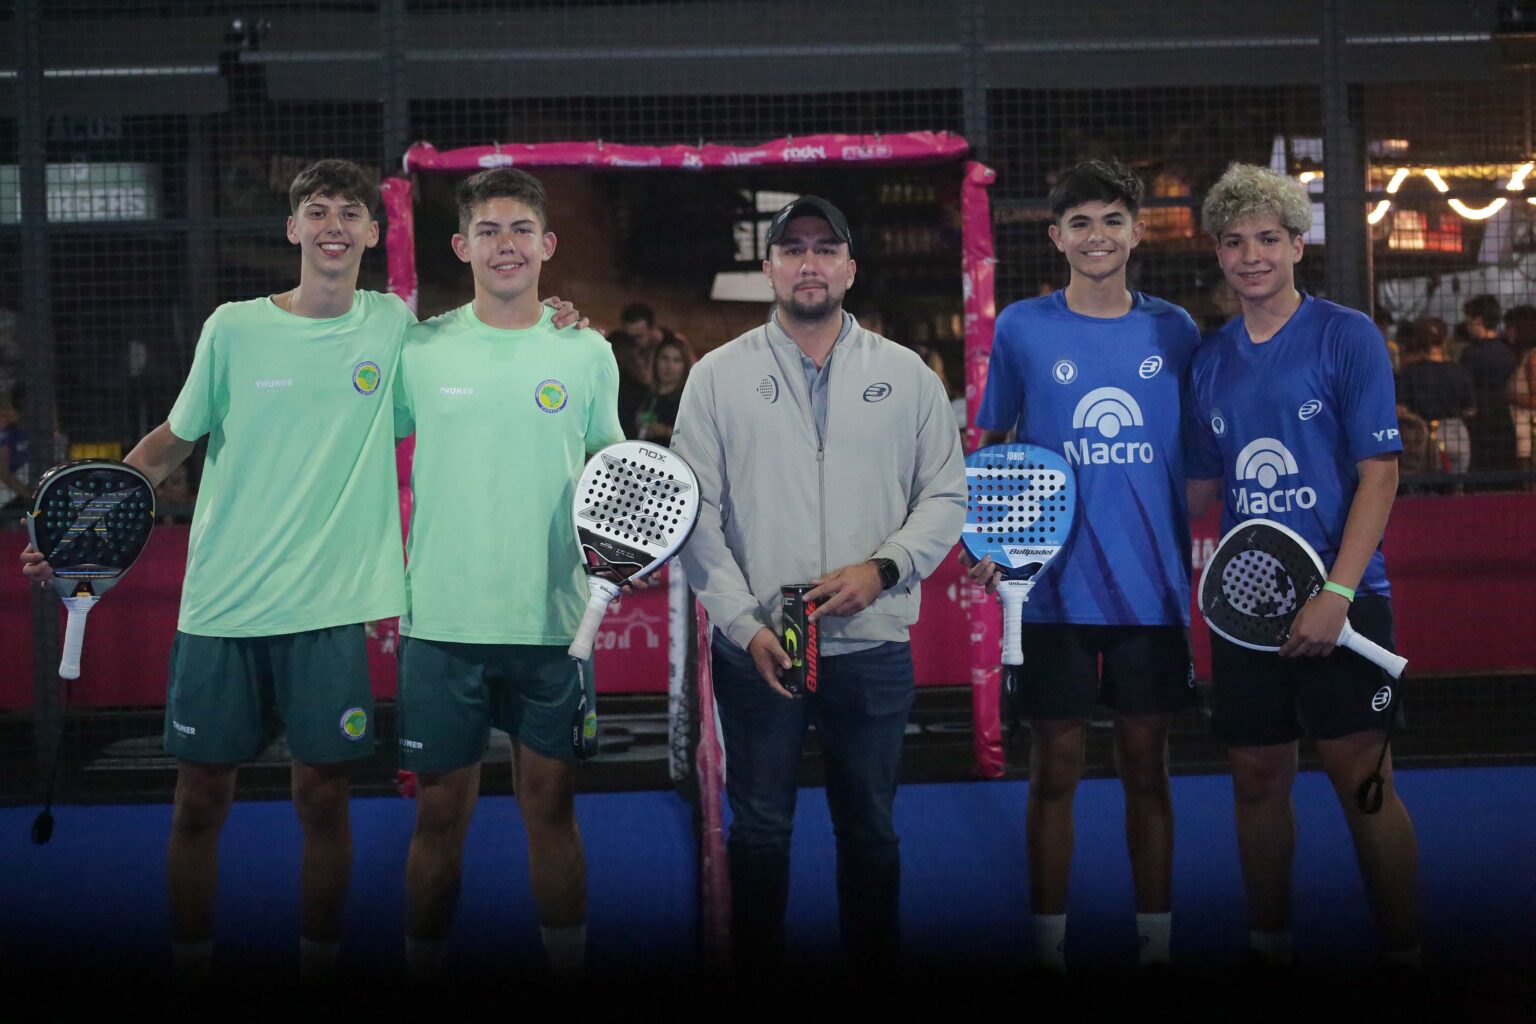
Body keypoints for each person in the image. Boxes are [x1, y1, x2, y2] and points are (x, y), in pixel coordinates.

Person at [18, 160, 583, 985]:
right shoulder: (233, 328)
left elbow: (498, 339)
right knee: (198, 804)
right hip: (222, 607)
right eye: (317, 211)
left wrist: (558, 321)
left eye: (349, 213)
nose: (332, 226)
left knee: (323, 804)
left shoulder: (394, 328)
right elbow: (170, 443)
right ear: (294, 229)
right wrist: (80, 531)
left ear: (372, 232)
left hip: (330, 610)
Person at [672, 195, 965, 971]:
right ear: (769, 268)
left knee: (870, 831)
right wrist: (744, 627)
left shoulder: (907, 375)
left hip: (871, 648)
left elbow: (945, 496)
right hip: (760, 651)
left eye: (826, 249)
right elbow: (695, 517)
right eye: (793, 249)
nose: (810, 263)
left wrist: (884, 568)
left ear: (850, 268)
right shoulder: (716, 377)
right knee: (761, 833)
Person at [966, 159, 1202, 972]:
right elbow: (992, 443)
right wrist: (986, 538)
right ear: (1055, 237)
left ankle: (1155, 947)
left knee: (1147, 769)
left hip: (1152, 595)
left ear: (1137, 231)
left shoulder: (1176, 330)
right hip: (1051, 594)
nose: (1096, 236)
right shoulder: (1022, 328)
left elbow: (1200, 449)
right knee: (1054, 771)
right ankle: (1049, 948)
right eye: (1080, 223)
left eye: (1111, 221)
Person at [1185, 163, 1421, 970]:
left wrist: (1337, 595)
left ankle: (1407, 957)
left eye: (1266, 239)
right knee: (1255, 778)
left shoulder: (1345, 335)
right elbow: (1197, 491)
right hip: (1247, 610)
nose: (1250, 255)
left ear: (1296, 244)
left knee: (1363, 781)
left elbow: (1380, 476)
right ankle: (1269, 950)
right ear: (1219, 252)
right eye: (1233, 241)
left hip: (1345, 602)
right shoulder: (1208, 361)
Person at [392, 168, 624, 982]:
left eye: (521, 229)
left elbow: (610, 473)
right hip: (440, 624)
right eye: (487, 230)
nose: (505, 244)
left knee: (551, 811)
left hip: (553, 626)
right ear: (461, 247)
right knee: (438, 817)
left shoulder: (587, 350)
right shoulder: (418, 348)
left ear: (547, 244)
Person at [1396, 319, 1475, 473]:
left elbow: (1400, 409)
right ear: (1445, 340)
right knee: (1456, 483)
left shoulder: (1409, 373)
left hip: (1421, 434)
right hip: (1455, 432)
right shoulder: (1459, 371)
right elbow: (1470, 410)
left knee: (1424, 483)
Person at [1458, 295, 1518, 473]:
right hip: (1505, 414)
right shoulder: (1509, 351)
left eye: (1468, 321)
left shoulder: (1470, 354)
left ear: (1478, 321)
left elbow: (1465, 385)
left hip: (1478, 417)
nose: (1467, 326)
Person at [634, 335, 692, 442]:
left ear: (685, 366)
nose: (669, 366)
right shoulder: (642, 394)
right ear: (655, 361)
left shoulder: (688, 400)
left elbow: (693, 437)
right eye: (665, 358)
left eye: (677, 360)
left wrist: (665, 431)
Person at [620, 302, 686, 388]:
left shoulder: (675, 342)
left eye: (639, 336)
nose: (634, 342)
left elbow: (648, 380)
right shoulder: (628, 346)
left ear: (652, 329)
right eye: (629, 337)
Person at [0, 388, 30, 509]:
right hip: (10, 500)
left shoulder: (45, 436)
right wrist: (28, 494)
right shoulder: (6, 436)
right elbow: (4, 472)